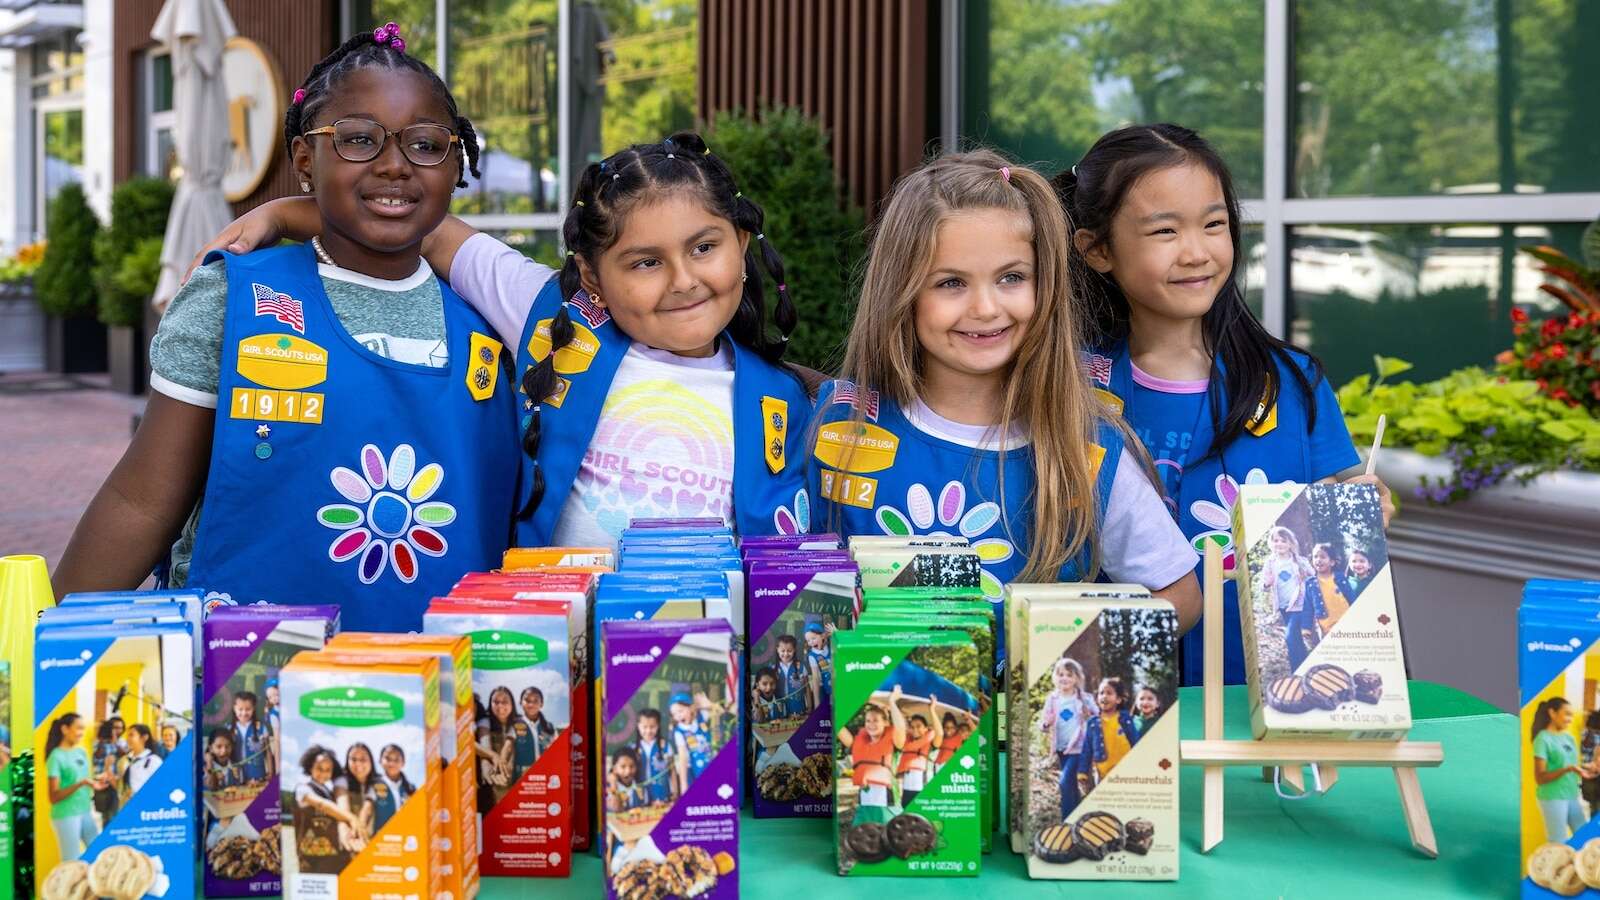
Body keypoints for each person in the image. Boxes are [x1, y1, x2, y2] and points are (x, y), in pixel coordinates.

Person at [51, 24, 517, 633]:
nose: (395, 166)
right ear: (304, 158)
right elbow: (141, 499)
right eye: (358, 140)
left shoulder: (488, 321)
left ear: (457, 163)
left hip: (436, 683)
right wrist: (39, 644)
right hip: (243, 675)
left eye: (427, 145)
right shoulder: (236, 297)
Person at [184, 130, 812, 551]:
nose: (684, 281)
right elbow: (427, 233)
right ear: (592, 275)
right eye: (645, 262)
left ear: (742, 240)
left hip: (711, 678)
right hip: (555, 660)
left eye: (704, 248)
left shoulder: (782, 400)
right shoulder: (556, 320)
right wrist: (280, 214)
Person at [807, 152, 1203, 692]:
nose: (987, 307)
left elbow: (1179, 597)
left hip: (1039, 760)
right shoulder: (842, 431)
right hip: (898, 756)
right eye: (950, 283)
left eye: (1012, 277)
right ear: (901, 291)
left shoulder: (1085, 448)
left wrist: (1056, 671)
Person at [1058, 123, 1393, 686]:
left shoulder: (1294, 382)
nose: (1197, 251)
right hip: (1121, 701)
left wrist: (1372, 505)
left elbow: (1348, 492)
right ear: (1096, 249)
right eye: (1164, 231)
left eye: (1214, 225)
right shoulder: (1068, 388)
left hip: (1270, 694)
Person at [837, 688, 908, 824]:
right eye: (868, 721)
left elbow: (900, 727)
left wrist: (892, 702)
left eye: (875, 720)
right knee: (859, 841)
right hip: (865, 804)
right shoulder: (858, 743)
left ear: (885, 723)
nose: (871, 724)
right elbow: (837, 726)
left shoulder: (895, 742)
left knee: (889, 840)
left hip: (887, 803)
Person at [1039, 657, 1097, 819]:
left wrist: (1089, 715)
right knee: (1070, 785)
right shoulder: (1053, 698)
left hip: (1080, 747)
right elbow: (1043, 723)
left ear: (1077, 679)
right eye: (1061, 674)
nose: (1064, 678)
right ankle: (1078, 817)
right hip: (1061, 747)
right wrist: (1046, 724)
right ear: (1055, 677)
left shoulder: (1084, 698)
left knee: (1064, 782)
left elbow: (1098, 719)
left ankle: (1067, 821)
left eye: (1069, 675)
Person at [46, 713, 107, 862]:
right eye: (78, 728)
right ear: (65, 729)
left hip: (85, 810)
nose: (81, 733)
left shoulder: (81, 752)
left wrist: (95, 782)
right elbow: (53, 797)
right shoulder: (56, 757)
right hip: (66, 814)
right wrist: (80, 784)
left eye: (83, 729)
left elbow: (84, 779)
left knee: (98, 854)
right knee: (71, 861)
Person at [1532, 697, 1595, 841]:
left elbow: (1571, 764)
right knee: (1558, 842)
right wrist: (1567, 769)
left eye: (1571, 715)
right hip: (1552, 797)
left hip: (1572, 795)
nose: (1570, 719)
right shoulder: (1542, 739)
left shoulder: (1569, 738)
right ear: (1552, 713)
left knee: (1585, 838)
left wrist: (1589, 767)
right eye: (1567, 714)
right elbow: (1540, 778)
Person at [293, 746, 364, 873]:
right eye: (319, 768)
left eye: (328, 770)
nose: (323, 773)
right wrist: (351, 817)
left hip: (334, 857)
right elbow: (322, 805)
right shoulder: (303, 789)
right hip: (312, 859)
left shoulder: (329, 792)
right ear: (310, 767)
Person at [1264, 527, 1323, 669]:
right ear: (1271, 543)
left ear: (1290, 543)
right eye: (1276, 540)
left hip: (1300, 604)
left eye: (1283, 541)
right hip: (1284, 607)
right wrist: (1267, 583)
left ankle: (1296, 670)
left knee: (1290, 637)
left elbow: (1313, 577)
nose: (1279, 544)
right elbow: (1264, 584)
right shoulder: (1270, 562)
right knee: (1295, 639)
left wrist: (1305, 577)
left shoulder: (1299, 561)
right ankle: (1304, 667)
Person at [1084, 677, 1141, 783]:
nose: (1104, 696)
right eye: (1101, 693)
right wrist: (1082, 771)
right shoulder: (1092, 723)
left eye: (1109, 693)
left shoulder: (1125, 720)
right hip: (1102, 775)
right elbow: (1087, 748)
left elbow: (1135, 741)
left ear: (1118, 699)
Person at [475, 686, 521, 805]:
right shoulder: (485, 721)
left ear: (512, 704)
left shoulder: (519, 722)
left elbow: (508, 745)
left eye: (505, 701)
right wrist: (491, 757)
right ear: (490, 703)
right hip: (494, 778)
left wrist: (502, 760)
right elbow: (483, 740)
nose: (500, 706)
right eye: (496, 702)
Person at [669, 691, 724, 785]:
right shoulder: (679, 732)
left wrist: (708, 705)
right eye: (674, 714)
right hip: (696, 769)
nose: (677, 716)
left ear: (691, 707)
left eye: (680, 711)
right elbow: (683, 758)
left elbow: (722, 713)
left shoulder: (701, 717)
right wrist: (684, 784)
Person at [896, 702, 944, 807]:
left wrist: (932, 709)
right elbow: (899, 727)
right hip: (907, 791)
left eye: (918, 726)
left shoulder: (932, 744)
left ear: (926, 728)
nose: (915, 730)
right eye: (912, 727)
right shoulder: (906, 742)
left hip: (924, 789)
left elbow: (939, 733)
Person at [334, 743, 377, 854]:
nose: (358, 763)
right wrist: (344, 828)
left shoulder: (378, 782)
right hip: (350, 839)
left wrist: (360, 825)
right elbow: (342, 807)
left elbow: (368, 807)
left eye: (363, 759)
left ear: (371, 761)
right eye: (353, 759)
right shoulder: (342, 780)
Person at [1310, 542, 1356, 635]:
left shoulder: (1340, 578)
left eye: (1322, 557)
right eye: (1315, 557)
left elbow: (1351, 597)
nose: (1318, 560)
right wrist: (1305, 627)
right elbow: (1308, 607)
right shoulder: (1310, 583)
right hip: (1326, 628)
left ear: (1332, 562)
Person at [631, 709, 676, 803]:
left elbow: (672, 771)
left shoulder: (666, 747)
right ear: (638, 726)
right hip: (640, 797)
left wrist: (675, 792)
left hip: (662, 796)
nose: (648, 731)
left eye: (652, 727)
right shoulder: (632, 749)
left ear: (658, 726)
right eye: (644, 727)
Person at [231, 691, 273, 783]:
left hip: (258, 778)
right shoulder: (229, 729)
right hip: (237, 779)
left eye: (248, 709)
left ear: (253, 708)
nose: (244, 713)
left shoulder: (262, 728)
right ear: (234, 708)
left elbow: (268, 752)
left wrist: (270, 772)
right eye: (240, 709)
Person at [372, 744, 415, 834]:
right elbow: (367, 809)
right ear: (380, 761)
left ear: (403, 763)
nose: (392, 763)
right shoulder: (374, 785)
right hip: (381, 839)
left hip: (405, 838)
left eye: (396, 760)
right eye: (387, 759)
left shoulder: (411, 788)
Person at [91, 717, 126, 822]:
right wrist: (102, 740)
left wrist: (114, 742)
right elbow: (96, 758)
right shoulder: (99, 743)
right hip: (102, 782)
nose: (116, 731)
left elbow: (124, 755)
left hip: (115, 781)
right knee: (105, 813)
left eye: (119, 728)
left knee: (113, 813)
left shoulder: (118, 743)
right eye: (114, 729)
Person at [516, 686, 559, 770]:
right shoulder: (514, 725)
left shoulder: (549, 727)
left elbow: (556, 753)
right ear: (520, 702)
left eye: (535, 701)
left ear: (541, 704)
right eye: (527, 700)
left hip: (545, 774)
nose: (531, 704)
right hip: (522, 776)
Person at [772, 633, 810, 716]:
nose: (786, 654)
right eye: (783, 651)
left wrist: (810, 706)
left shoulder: (801, 667)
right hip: (779, 710)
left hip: (798, 709)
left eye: (789, 651)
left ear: (794, 650)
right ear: (777, 650)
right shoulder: (773, 669)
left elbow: (807, 687)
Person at [120, 724, 163, 795]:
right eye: (127, 735)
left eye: (131, 735)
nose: (127, 739)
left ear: (144, 737)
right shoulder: (124, 760)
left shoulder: (154, 761)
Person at [605, 748, 650, 812]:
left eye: (632, 766)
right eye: (623, 766)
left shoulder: (641, 787)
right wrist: (613, 783)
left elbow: (645, 808)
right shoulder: (608, 788)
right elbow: (615, 809)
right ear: (614, 768)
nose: (628, 772)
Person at [804, 622, 834, 710]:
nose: (811, 643)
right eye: (808, 640)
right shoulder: (812, 656)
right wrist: (816, 703)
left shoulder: (832, 646)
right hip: (824, 689)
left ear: (823, 636)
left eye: (813, 638)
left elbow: (843, 643)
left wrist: (835, 633)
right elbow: (815, 679)